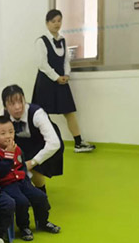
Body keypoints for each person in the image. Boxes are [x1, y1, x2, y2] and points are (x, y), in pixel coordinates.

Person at [32, 9, 95, 153]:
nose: (57, 24)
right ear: (47, 23)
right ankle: (39, 144)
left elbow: (66, 60)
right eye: (53, 21)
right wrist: (56, 77)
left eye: (59, 21)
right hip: (46, 82)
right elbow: (42, 64)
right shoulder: (41, 41)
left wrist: (66, 75)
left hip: (62, 81)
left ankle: (78, 143)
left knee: (69, 111)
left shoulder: (63, 40)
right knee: (41, 114)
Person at [0, 115, 60, 240]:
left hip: (22, 181)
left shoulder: (17, 149)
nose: (8, 136)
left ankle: (43, 222)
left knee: (40, 197)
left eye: (11, 132)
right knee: (22, 201)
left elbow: (22, 167)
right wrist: (8, 155)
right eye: (3, 133)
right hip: (6, 185)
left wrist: (26, 180)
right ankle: (24, 227)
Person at [0, 84, 63, 193]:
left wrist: (33, 162)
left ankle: (41, 191)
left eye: (20, 101)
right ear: (5, 106)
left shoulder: (37, 113)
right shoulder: (4, 113)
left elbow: (54, 143)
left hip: (43, 143)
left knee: (32, 164)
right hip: (23, 144)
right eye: (12, 103)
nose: (18, 107)